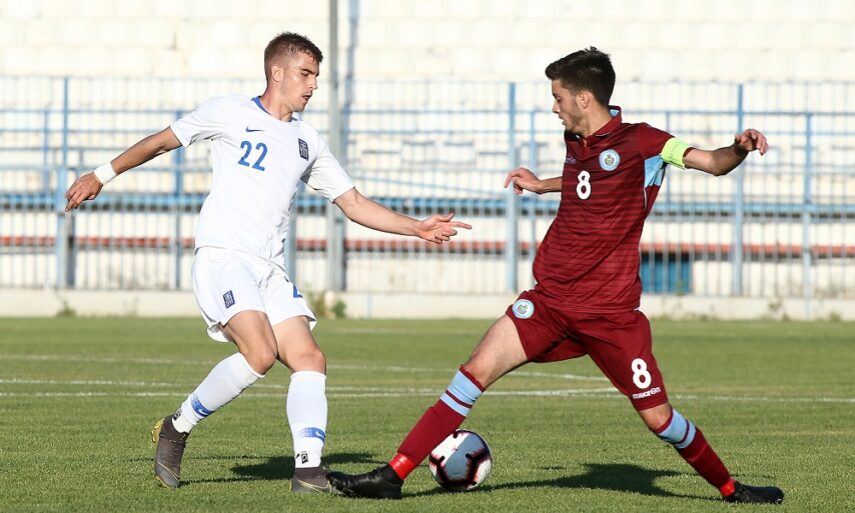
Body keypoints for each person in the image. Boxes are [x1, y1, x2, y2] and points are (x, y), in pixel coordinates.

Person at [327, 47, 784, 504]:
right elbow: (587, 181)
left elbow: (713, 163)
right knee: (472, 373)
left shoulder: (646, 143)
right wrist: (540, 184)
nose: (554, 106)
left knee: (660, 420)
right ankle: (392, 476)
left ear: (584, 98)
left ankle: (731, 489)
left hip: (609, 316)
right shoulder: (577, 140)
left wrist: (738, 148)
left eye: (558, 97)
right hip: (548, 303)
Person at [63, 32, 470, 492]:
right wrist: (101, 175)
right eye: (305, 74)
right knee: (258, 354)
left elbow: (353, 203)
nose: (313, 85)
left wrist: (416, 227)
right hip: (223, 256)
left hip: (269, 267)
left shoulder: (307, 140)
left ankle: (308, 472)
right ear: (277, 72)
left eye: (316, 76)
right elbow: (160, 142)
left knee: (310, 359)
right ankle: (177, 427)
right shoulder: (228, 111)